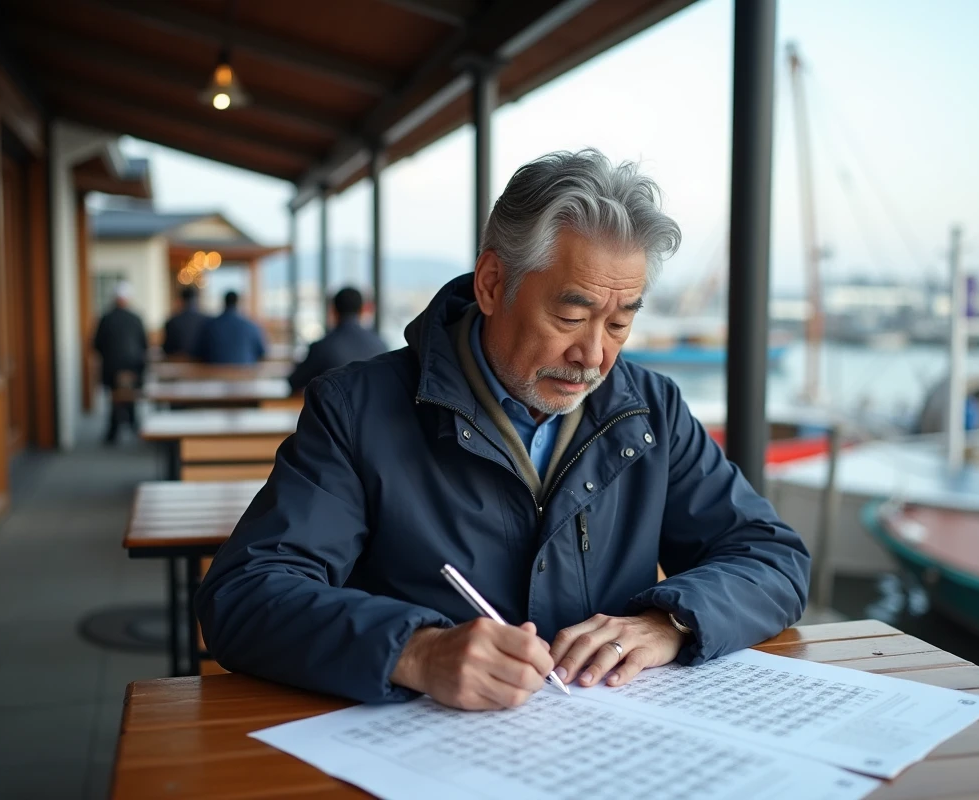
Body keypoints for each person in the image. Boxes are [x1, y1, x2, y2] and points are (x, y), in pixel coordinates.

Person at [197, 149, 810, 710]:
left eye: (620, 323)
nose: (594, 355)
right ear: (493, 284)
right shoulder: (357, 409)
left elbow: (773, 556)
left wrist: (670, 622)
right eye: (571, 314)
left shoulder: (651, 411)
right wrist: (417, 651)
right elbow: (244, 596)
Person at [287, 287, 388, 393]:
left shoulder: (322, 347)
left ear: (333, 311)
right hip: (374, 408)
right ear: (363, 310)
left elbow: (295, 382)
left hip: (333, 408)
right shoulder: (380, 345)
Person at [92, 282, 148, 444]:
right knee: (131, 398)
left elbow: (97, 345)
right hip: (133, 366)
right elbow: (144, 344)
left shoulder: (105, 318)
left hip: (112, 367)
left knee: (115, 399)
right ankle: (132, 425)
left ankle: (113, 431)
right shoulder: (136, 318)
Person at [194, 290, 266, 364]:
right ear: (238, 303)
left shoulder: (209, 325)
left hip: (214, 373)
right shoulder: (251, 325)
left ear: (224, 303)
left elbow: (198, 352)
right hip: (244, 373)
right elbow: (262, 352)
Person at [162, 285, 208, 358]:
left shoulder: (172, 321)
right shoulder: (206, 320)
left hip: (176, 364)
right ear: (196, 299)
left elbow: (167, 349)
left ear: (181, 300)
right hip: (201, 364)